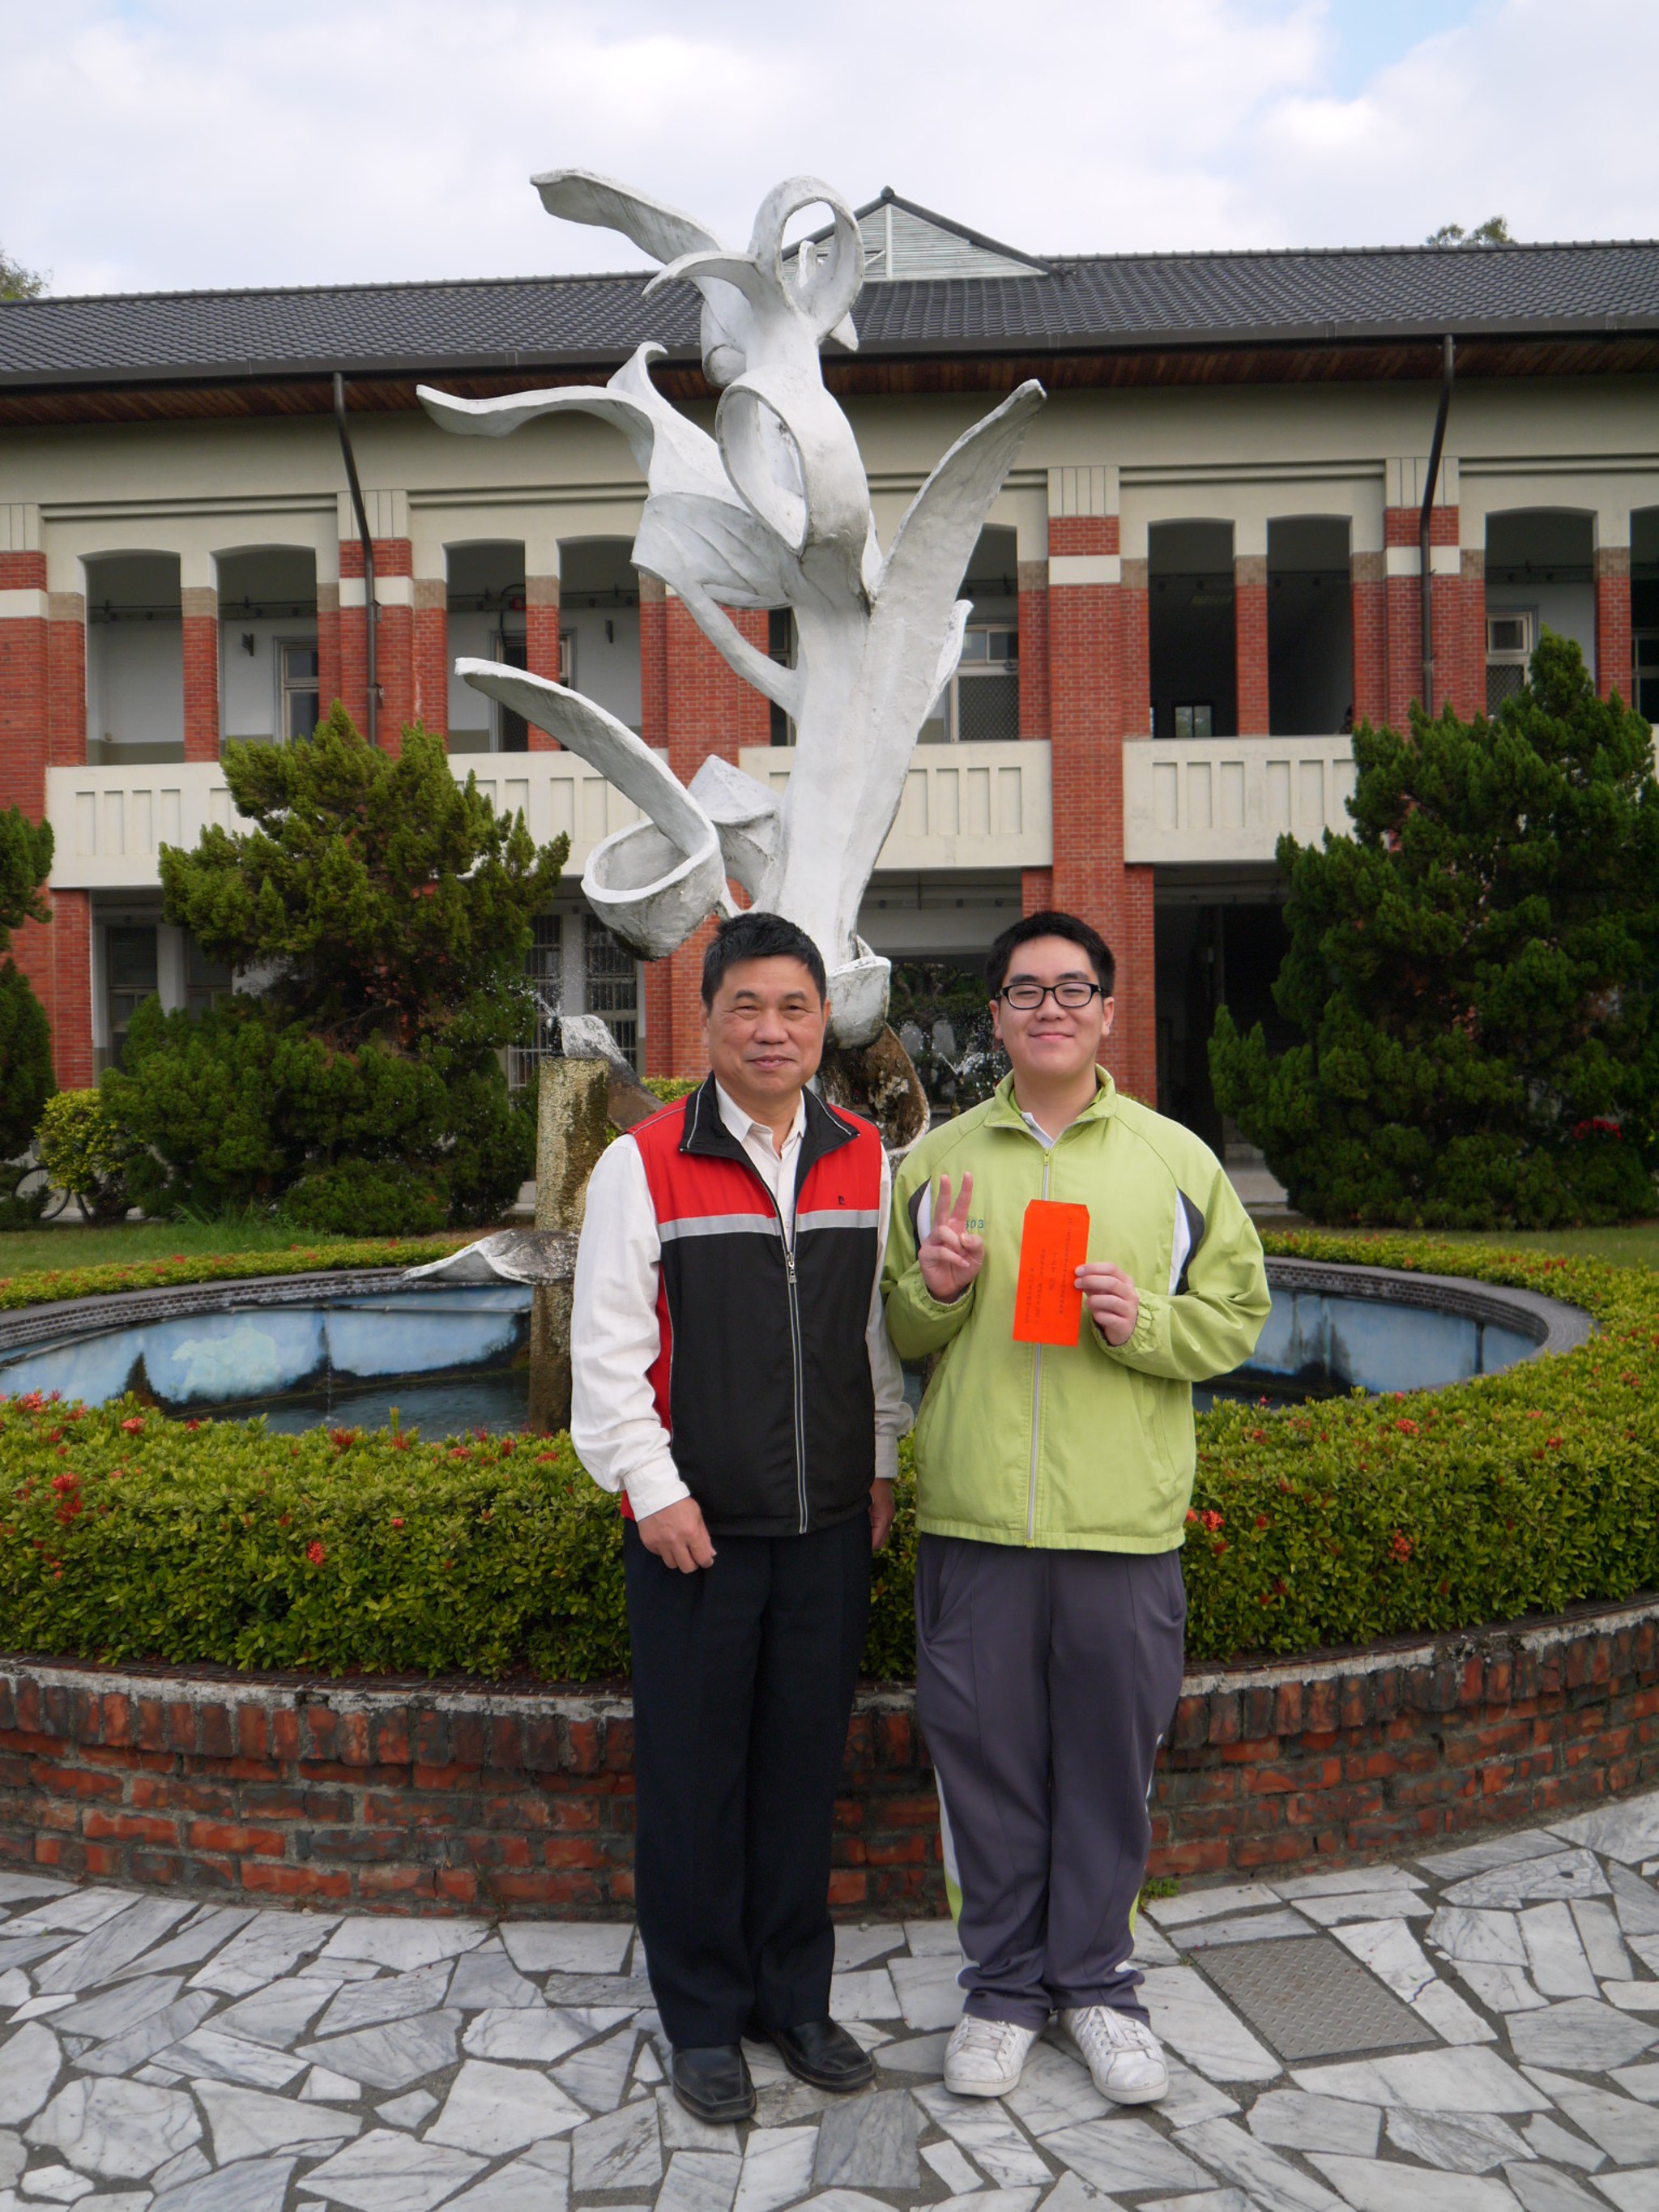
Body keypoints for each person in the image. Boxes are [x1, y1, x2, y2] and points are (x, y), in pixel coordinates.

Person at [882, 910, 1269, 2104]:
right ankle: (1001, 1992)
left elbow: (1237, 1318)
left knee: (1109, 1770)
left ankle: (1099, 1984)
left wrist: (1143, 1322)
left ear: (1108, 1010)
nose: (1048, 1009)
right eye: (1025, 991)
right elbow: (897, 1333)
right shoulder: (935, 1165)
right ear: (995, 1017)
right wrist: (939, 1290)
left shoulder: (1175, 1161)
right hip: (976, 1525)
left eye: (1071, 989)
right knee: (984, 1769)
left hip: (1121, 1526)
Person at [571, 909, 911, 2124]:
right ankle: (704, 2018)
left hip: (828, 1528)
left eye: (794, 1008)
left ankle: (792, 2000)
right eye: (747, 1007)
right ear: (706, 1020)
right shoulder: (644, 1162)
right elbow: (606, 1350)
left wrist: (880, 1461)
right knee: (695, 1782)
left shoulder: (863, 1155)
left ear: (823, 1024)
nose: (772, 1030)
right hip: (697, 1537)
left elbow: (873, 1334)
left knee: (800, 1774)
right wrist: (653, 1490)